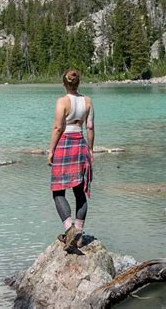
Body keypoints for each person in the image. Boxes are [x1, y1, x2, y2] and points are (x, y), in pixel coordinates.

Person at [47, 69, 94, 251]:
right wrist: (90, 149)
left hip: (65, 143)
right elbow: (89, 127)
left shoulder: (62, 101)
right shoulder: (87, 101)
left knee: (58, 191)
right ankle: (78, 234)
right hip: (80, 144)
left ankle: (69, 230)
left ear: (64, 84)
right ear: (78, 83)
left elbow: (58, 127)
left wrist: (51, 150)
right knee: (79, 191)